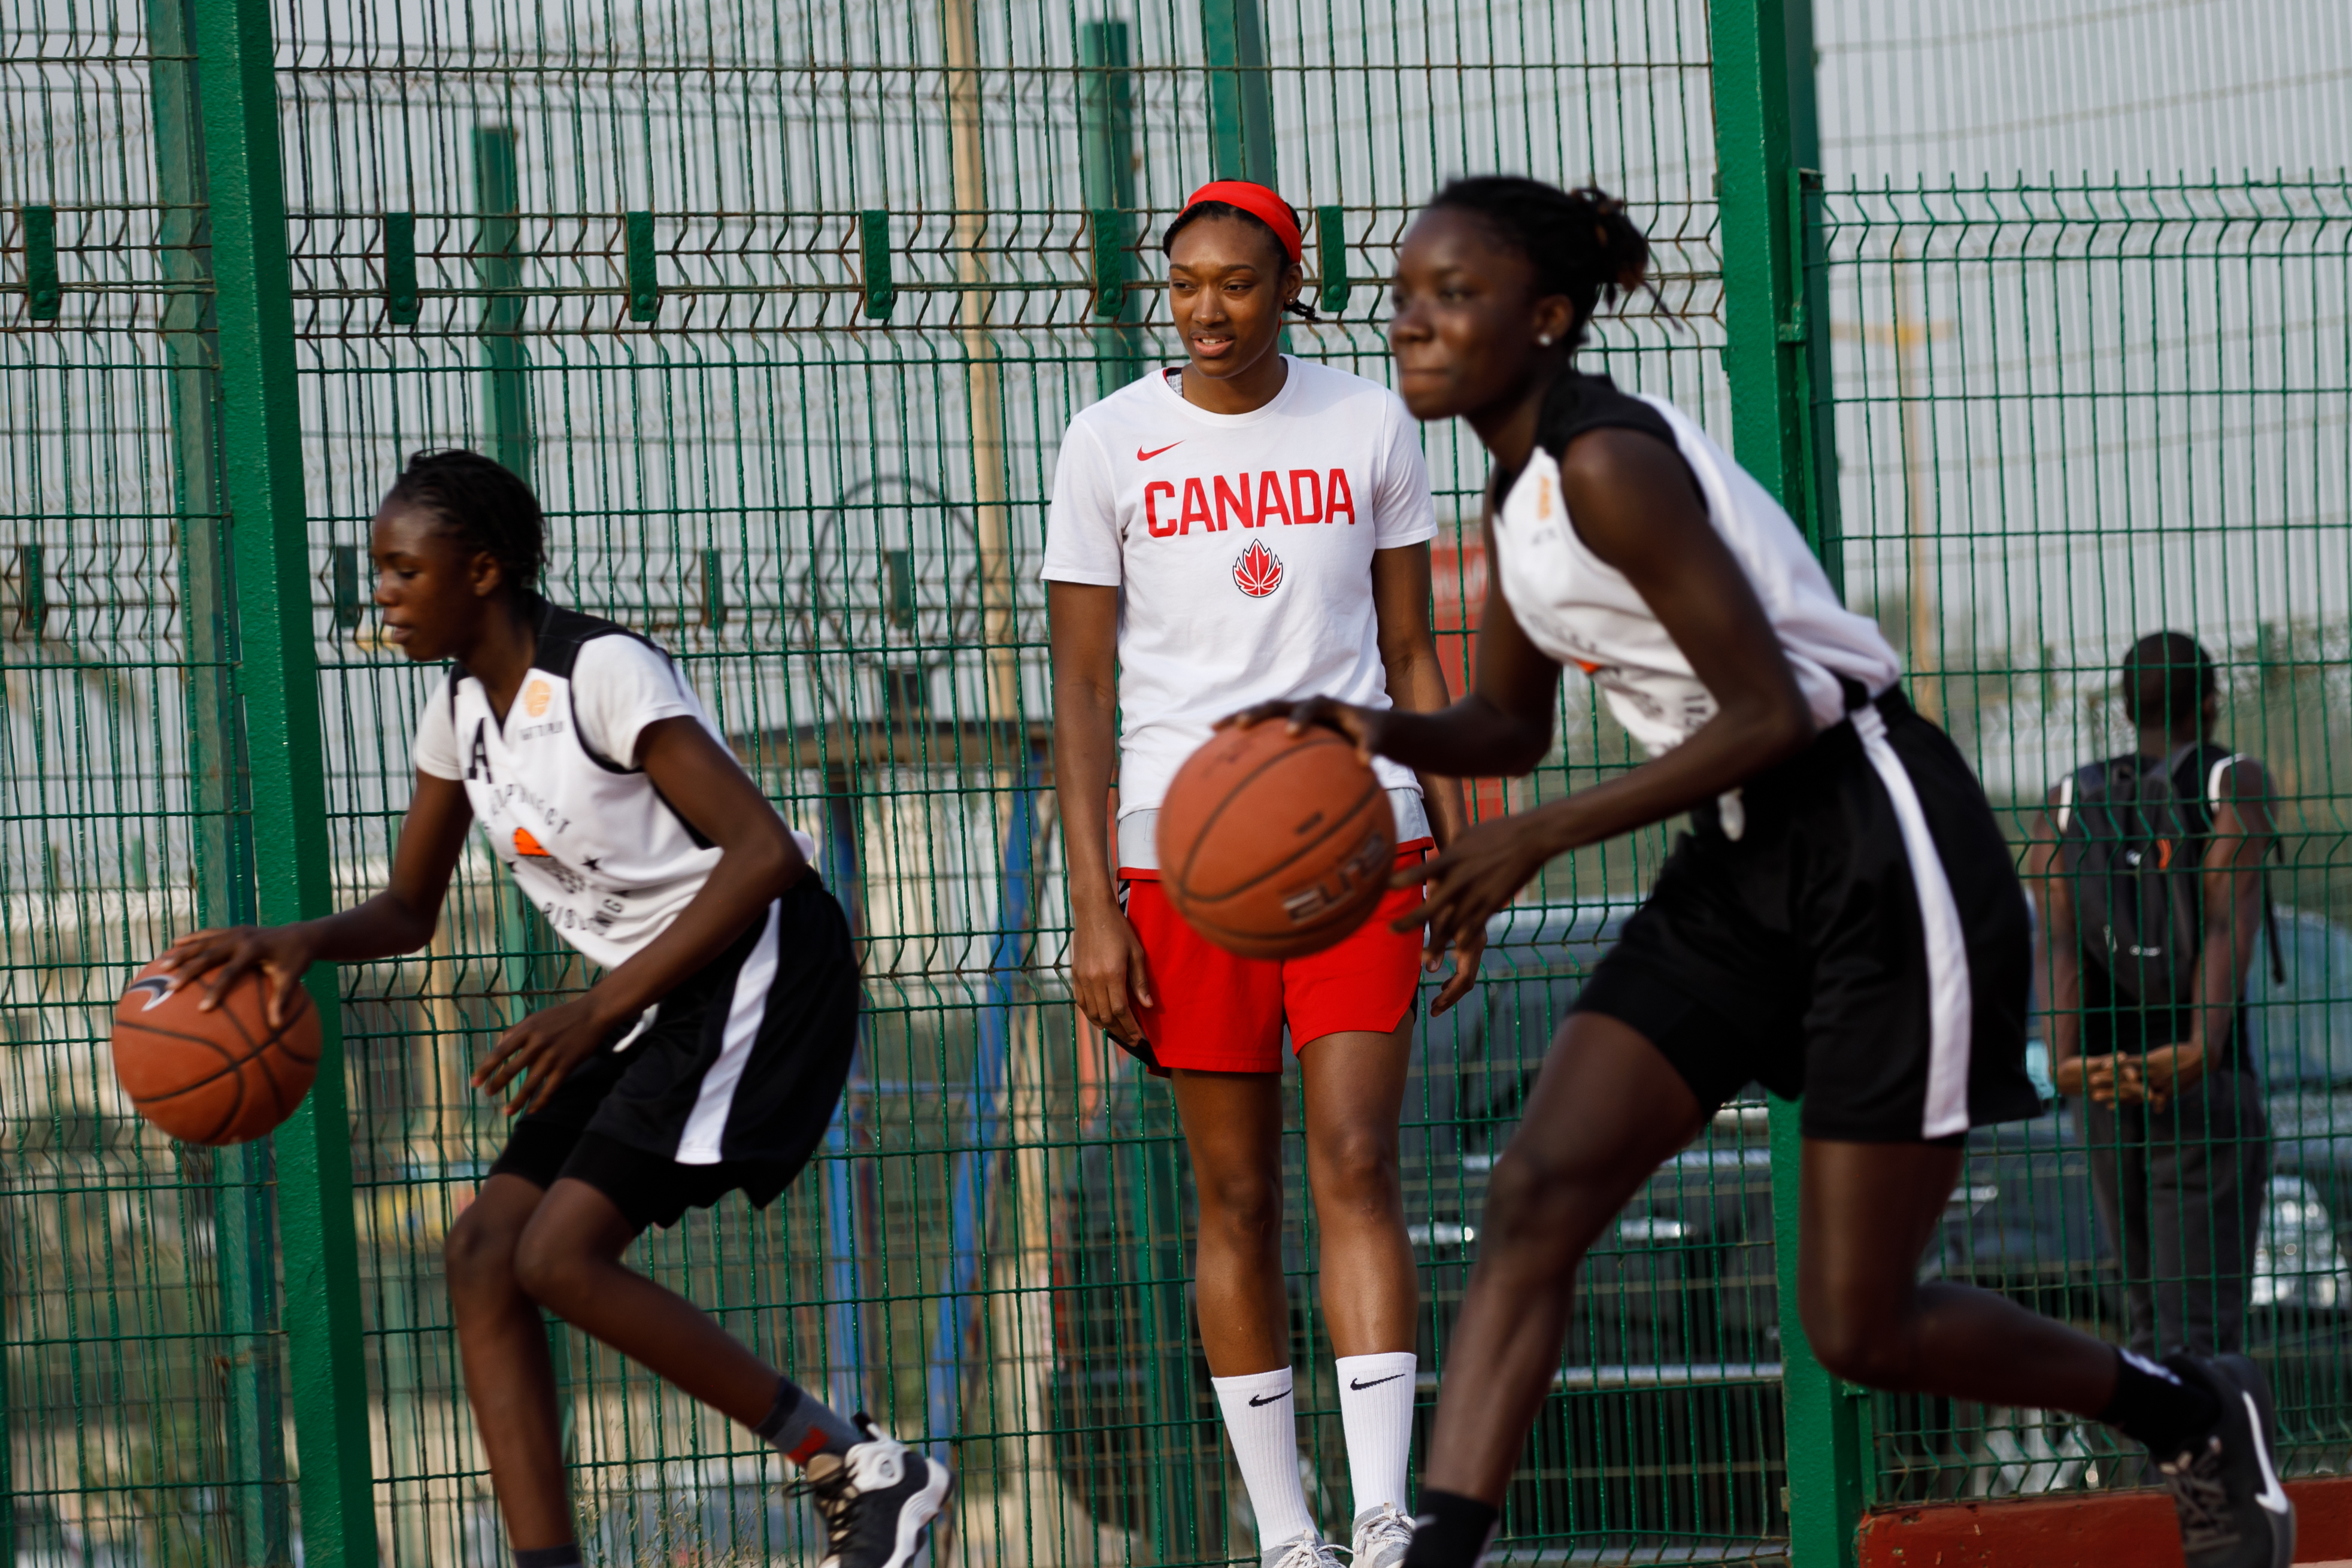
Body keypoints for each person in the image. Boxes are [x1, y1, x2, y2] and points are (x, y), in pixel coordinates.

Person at [1241, 178, 2294, 1568]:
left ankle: (2188, 1407)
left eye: (1453, 296)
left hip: (1874, 847)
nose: (1413, 326)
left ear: (1545, 318)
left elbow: (1773, 710)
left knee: (1860, 1325)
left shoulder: (1610, 464)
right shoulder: (1519, 491)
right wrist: (1359, 726)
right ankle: (1437, 1554)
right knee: (1536, 1192)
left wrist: (1537, 835)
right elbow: (1511, 722)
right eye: (1403, 298)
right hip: (1736, 862)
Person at [157, 451, 950, 1568]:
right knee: (484, 1247)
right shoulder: (457, 714)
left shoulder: (601, 673)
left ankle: (858, 1462)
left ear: (480, 570)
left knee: (560, 1255)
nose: (377, 590)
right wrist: (296, 939)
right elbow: (407, 907)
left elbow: (763, 851)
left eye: (399, 568)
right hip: (642, 991)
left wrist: (596, 1008)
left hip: (754, 962)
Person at [1043, 180, 1482, 1568]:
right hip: (1187, 858)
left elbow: (1413, 656)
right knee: (1232, 1200)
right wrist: (1094, 909)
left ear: (1290, 286)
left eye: (1236, 282)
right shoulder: (1110, 441)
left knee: (1356, 1160)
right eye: (1185, 284)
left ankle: (1379, 1515)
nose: (1208, 308)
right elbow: (1079, 695)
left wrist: (1461, 839)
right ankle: (1286, 1533)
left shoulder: (1369, 422)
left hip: (1362, 840)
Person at [2035, 632, 2276, 1359]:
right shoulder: (2232, 782)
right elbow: (2226, 919)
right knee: (2202, 1328)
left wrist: (2068, 1063)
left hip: (2105, 1083)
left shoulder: (2070, 799)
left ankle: (2168, 1465)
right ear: (2209, 704)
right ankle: (2223, 1472)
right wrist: (2199, 1046)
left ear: (2122, 703)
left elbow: (2057, 940)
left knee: (2145, 1320)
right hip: (2201, 1080)